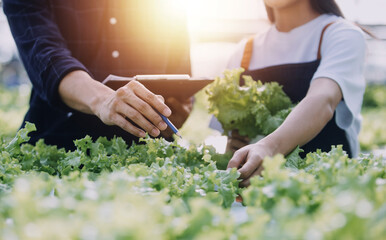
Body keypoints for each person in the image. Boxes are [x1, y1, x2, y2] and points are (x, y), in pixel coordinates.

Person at [3, 0, 192, 150]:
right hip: (59, 143)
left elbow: (180, 69)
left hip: (150, 152)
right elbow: (46, 58)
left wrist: (178, 108)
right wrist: (103, 100)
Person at [226, 0, 367, 187]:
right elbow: (232, 138)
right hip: (254, 196)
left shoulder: (341, 34)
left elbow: (323, 100)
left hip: (327, 192)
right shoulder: (244, 51)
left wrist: (269, 147)